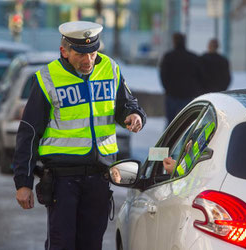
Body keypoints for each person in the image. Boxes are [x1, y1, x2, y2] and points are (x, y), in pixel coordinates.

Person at [13, 21, 147, 250]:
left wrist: (134, 115)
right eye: (81, 55)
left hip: (99, 177)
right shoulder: (47, 78)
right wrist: (22, 183)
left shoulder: (110, 69)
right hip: (62, 180)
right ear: (64, 51)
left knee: (91, 245)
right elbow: (29, 133)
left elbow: (127, 104)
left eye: (93, 54)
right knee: (62, 244)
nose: (88, 61)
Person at [160, 32, 204, 125]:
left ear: (174, 42)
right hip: (187, 95)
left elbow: (163, 75)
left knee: (170, 124)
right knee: (186, 124)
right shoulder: (193, 57)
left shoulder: (168, 57)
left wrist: (168, 89)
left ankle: (169, 139)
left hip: (172, 94)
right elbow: (200, 76)